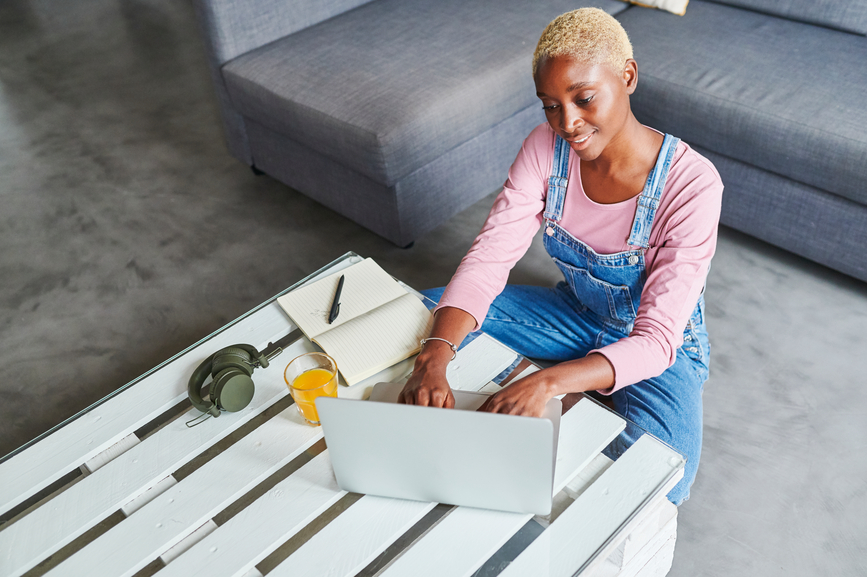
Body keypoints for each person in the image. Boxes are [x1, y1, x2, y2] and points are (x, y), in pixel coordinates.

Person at [397, 8, 722, 505]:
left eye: (584, 99)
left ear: (628, 76)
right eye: (550, 105)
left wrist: (547, 385)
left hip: (659, 344)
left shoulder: (693, 184)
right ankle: (576, 386)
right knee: (427, 314)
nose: (566, 123)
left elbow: (657, 342)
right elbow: (489, 258)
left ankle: (574, 388)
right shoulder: (544, 149)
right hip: (575, 315)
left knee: (665, 477)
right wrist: (435, 358)